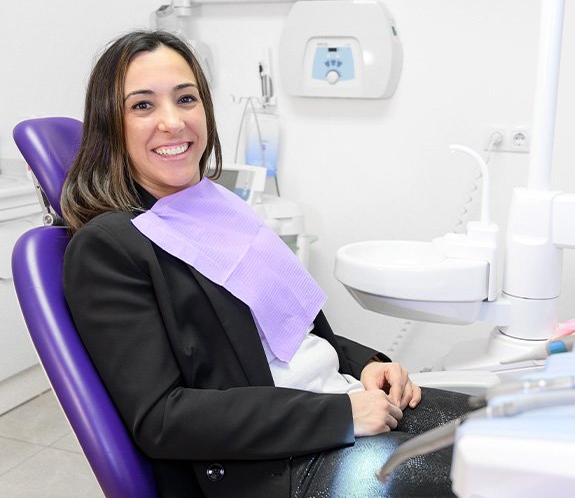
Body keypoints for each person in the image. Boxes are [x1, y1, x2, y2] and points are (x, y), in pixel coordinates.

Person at [61, 30, 472, 498]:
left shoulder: (215, 207)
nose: (173, 122)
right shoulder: (110, 247)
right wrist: (341, 415)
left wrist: (366, 365)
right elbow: (162, 418)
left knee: (523, 431)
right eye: (142, 106)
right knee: (502, 475)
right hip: (281, 464)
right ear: (109, 125)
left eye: (186, 98)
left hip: (339, 401)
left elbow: (287, 330)